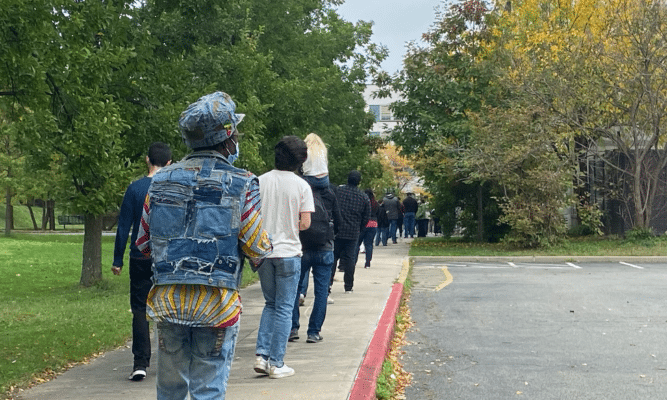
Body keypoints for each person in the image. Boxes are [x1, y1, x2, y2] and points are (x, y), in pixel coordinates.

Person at [135, 91, 272, 399]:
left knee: (169, 389)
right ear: (227, 139)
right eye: (236, 131)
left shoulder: (158, 181)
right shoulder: (243, 182)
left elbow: (143, 244)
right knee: (208, 390)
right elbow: (257, 247)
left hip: (169, 301)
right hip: (216, 305)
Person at [255, 135, 314, 379]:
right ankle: (277, 362)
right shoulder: (301, 186)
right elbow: (305, 223)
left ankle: (261, 354)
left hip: (264, 253)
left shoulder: (259, 181)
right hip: (289, 252)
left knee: (270, 303)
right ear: (300, 160)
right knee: (285, 307)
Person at [112, 141, 171, 381]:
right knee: (168, 308)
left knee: (139, 309)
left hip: (139, 254)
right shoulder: (172, 188)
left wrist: (118, 259)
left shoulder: (135, 189)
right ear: (169, 163)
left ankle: (140, 362)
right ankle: (169, 359)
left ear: (147, 159)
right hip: (167, 256)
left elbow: (123, 227)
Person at [290, 133, 341, 344]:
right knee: (321, 292)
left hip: (301, 246)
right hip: (324, 246)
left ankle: (293, 328)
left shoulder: (299, 189)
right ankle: (314, 331)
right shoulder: (330, 192)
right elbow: (338, 220)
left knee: (293, 289)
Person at [331, 171, 370, 293]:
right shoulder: (363, 197)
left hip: (336, 231)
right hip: (352, 232)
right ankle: (348, 286)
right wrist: (359, 227)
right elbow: (366, 217)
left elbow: (331, 207)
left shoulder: (338, 192)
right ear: (359, 181)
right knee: (350, 260)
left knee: (333, 258)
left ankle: (328, 284)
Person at [356, 189, 378, 268]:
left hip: (363, 224)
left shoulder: (362, 202)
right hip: (373, 224)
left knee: (357, 244)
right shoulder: (375, 203)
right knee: (369, 244)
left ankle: (354, 261)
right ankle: (367, 263)